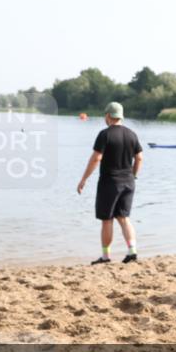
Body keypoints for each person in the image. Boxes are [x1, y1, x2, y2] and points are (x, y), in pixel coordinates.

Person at [77, 102, 144, 265]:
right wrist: (133, 175)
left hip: (110, 182)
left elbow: (96, 158)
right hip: (128, 182)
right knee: (124, 217)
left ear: (108, 116)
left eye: (105, 116)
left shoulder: (105, 134)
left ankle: (106, 257)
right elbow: (140, 157)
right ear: (121, 116)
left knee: (107, 220)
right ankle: (132, 251)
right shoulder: (132, 134)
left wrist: (84, 178)